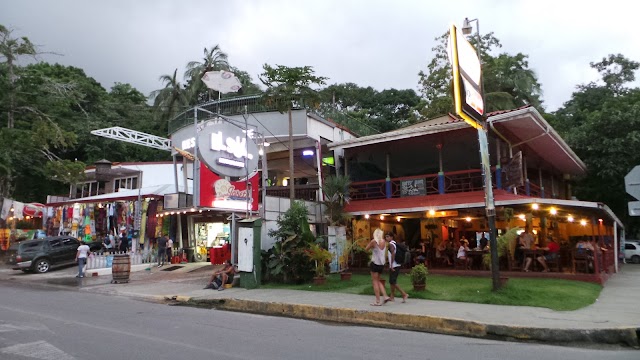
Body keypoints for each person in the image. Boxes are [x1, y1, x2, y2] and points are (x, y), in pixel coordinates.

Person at [365, 228, 390, 306]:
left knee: (375, 282)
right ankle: (385, 296)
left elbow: (366, 249)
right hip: (381, 264)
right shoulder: (384, 242)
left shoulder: (374, 241)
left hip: (375, 263)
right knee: (378, 280)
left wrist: (371, 248)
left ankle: (377, 301)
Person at [385, 232, 409, 303]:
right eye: (386, 237)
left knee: (393, 281)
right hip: (396, 264)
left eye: (388, 236)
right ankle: (392, 296)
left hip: (394, 265)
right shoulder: (394, 243)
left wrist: (391, 265)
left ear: (392, 237)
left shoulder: (391, 244)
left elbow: (393, 253)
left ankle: (404, 294)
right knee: (391, 281)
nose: (387, 238)